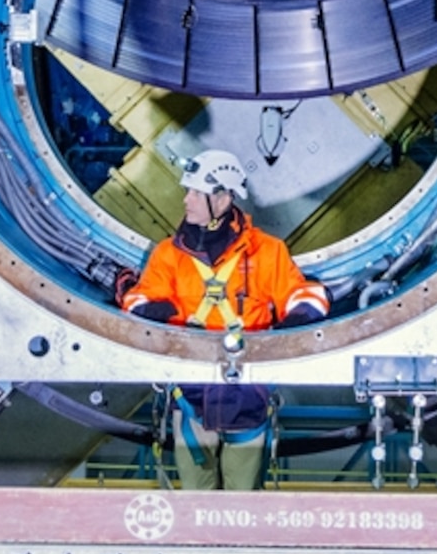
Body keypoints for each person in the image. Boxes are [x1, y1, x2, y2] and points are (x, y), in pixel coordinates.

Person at [118, 151, 327, 491]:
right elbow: (137, 298)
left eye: (195, 193)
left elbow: (301, 294)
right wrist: (150, 310)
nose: (186, 200)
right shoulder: (169, 255)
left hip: (248, 394)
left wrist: (300, 317)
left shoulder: (266, 252)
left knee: (241, 503)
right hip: (191, 395)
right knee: (196, 499)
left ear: (223, 198)